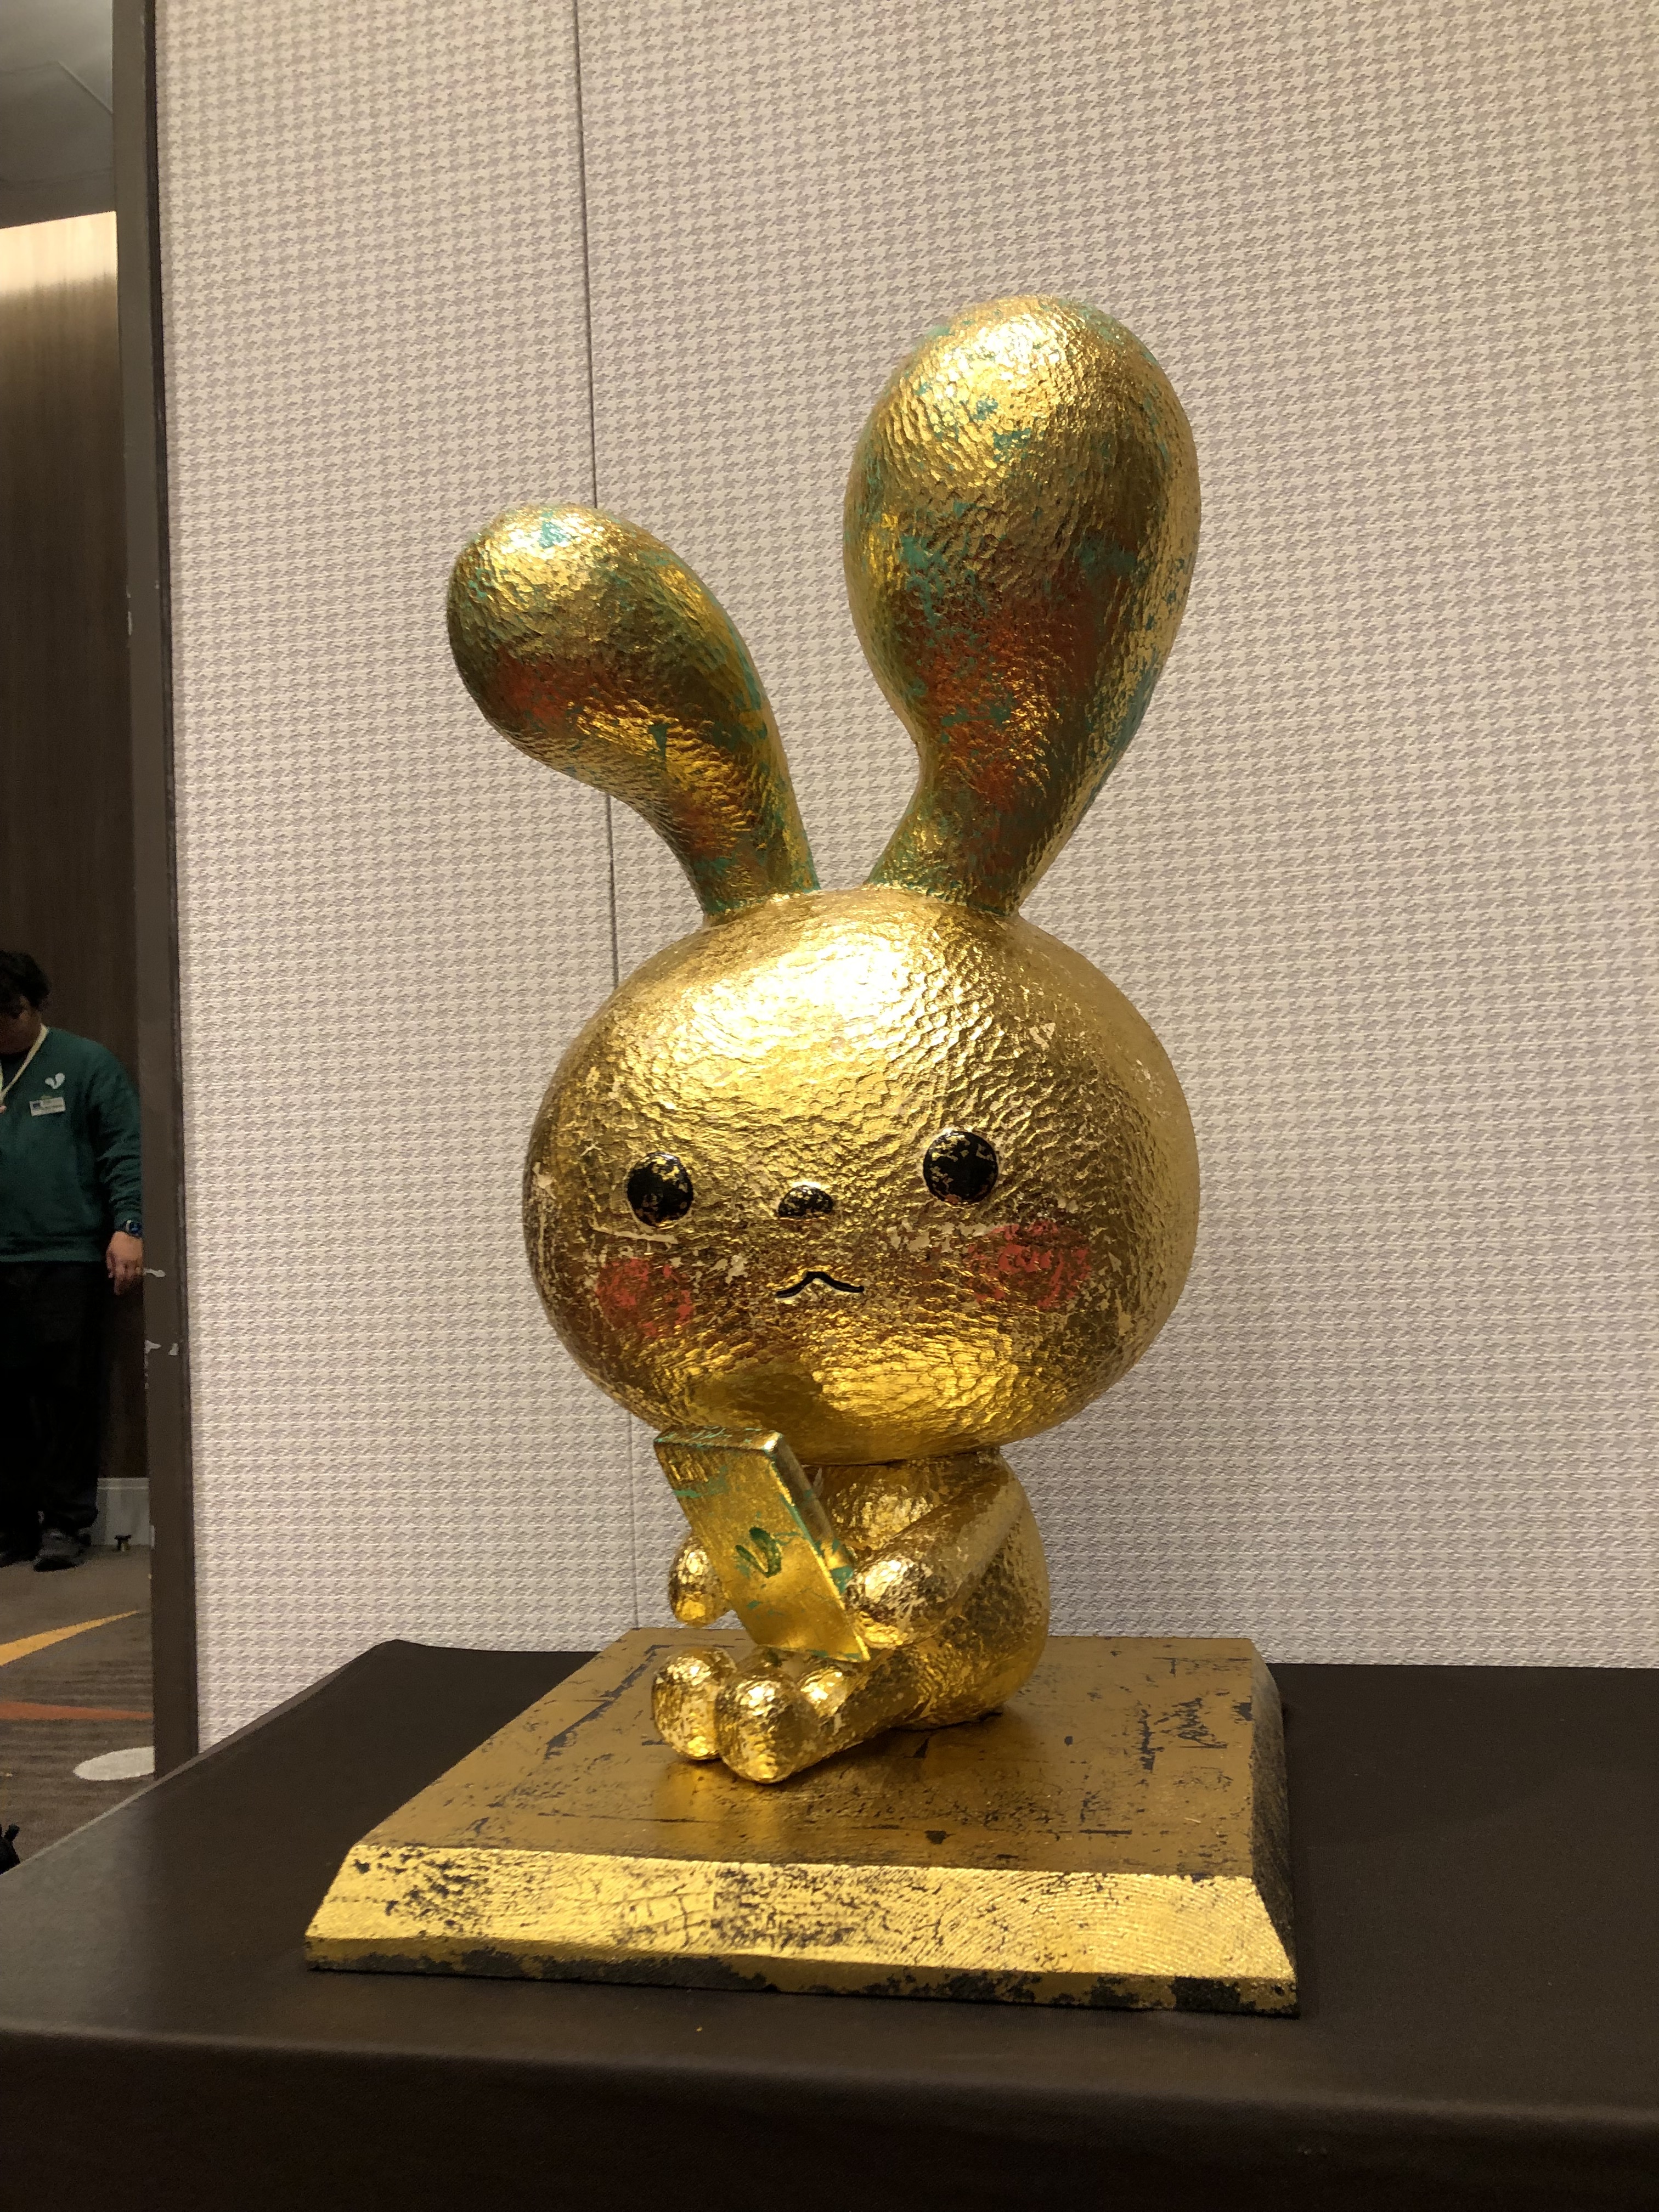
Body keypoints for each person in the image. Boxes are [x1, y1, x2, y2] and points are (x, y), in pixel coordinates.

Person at [0, 951, 143, 1571]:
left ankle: (65, 1523)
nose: (2, 1028)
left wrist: (129, 1226)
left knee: (67, 1395)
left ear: (36, 1005)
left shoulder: (85, 1064)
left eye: (11, 1014)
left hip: (66, 1256)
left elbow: (124, 1151)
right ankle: (11, 1525)